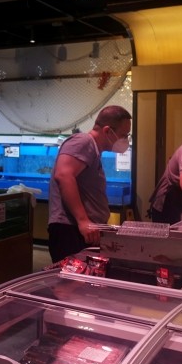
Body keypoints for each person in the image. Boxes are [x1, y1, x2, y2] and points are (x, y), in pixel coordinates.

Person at [47, 105, 132, 263]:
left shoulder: (94, 150)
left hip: (83, 231)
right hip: (70, 230)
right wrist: (83, 221)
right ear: (107, 131)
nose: (125, 140)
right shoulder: (83, 141)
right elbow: (64, 175)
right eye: (123, 135)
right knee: (71, 285)